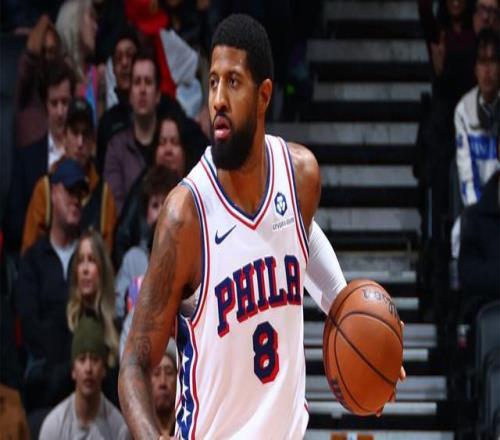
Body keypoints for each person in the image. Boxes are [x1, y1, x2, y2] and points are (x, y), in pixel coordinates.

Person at [119, 14, 405, 438]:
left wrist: (357, 326)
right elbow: (134, 363)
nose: (218, 98)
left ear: (264, 94)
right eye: (213, 82)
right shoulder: (186, 215)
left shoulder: (300, 176)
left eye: (233, 82)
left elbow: (299, 237)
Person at [16, 158, 88, 412]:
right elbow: (29, 323)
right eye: (70, 191)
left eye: (80, 193)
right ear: (54, 192)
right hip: (46, 376)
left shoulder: (90, 255)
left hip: (86, 372)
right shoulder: (34, 259)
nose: (76, 200)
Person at [22, 97, 117, 254]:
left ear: (93, 140)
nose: (80, 142)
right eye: (75, 132)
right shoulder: (45, 188)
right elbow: (28, 254)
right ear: (64, 136)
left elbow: (107, 259)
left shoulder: (104, 195)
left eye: (86, 134)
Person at [7, 58, 75, 252]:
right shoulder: (27, 158)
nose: (60, 112)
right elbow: (13, 224)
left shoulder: (84, 155)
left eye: (65, 102)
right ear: (45, 105)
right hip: (37, 255)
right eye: (54, 103)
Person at [39, 315, 130, 440]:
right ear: (73, 370)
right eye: (82, 360)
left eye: (95, 359)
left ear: (104, 369)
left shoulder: (118, 427)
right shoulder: (54, 425)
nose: (88, 368)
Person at [114, 165, 180, 315]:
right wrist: (131, 295)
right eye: (155, 206)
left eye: (166, 204)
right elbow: (117, 308)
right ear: (146, 214)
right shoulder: (133, 259)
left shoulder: (188, 257)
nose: (161, 212)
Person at [104, 53, 161, 214]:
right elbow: (114, 206)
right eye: (137, 82)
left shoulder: (169, 143)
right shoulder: (116, 148)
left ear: (157, 95)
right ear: (130, 95)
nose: (142, 90)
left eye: (148, 82)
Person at [454, 28, 499, 207]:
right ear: (475, 69)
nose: (487, 70)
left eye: (493, 61)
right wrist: (478, 211)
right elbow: (467, 177)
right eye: (482, 62)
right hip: (476, 211)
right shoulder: (463, 110)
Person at [96, 26, 140, 174]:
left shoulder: (162, 110)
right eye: (118, 58)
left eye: (130, 56)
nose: (124, 63)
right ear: (113, 70)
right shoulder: (107, 123)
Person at [15, 14, 61, 148]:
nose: (47, 58)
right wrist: (44, 19)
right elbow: (32, 52)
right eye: (43, 51)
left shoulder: (65, 85)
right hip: (32, 156)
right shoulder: (27, 87)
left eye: (51, 52)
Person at [56, 0, 104, 122]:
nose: (96, 27)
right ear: (74, 22)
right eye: (91, 18)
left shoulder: (95, 75)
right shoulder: (57, 74)